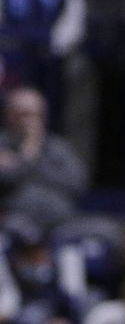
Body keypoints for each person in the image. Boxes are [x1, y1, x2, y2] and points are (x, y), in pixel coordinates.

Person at [0, 85, 89, 233]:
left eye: (36, 114)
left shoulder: (56, 146)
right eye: (24, 114)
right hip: (15, 223)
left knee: (104, 232)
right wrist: (30, 150)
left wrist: (21, 164)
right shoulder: (2, 143)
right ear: (9, 115)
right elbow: (6, 179)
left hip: (61, 222)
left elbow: (77, 182)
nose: (30, 121)